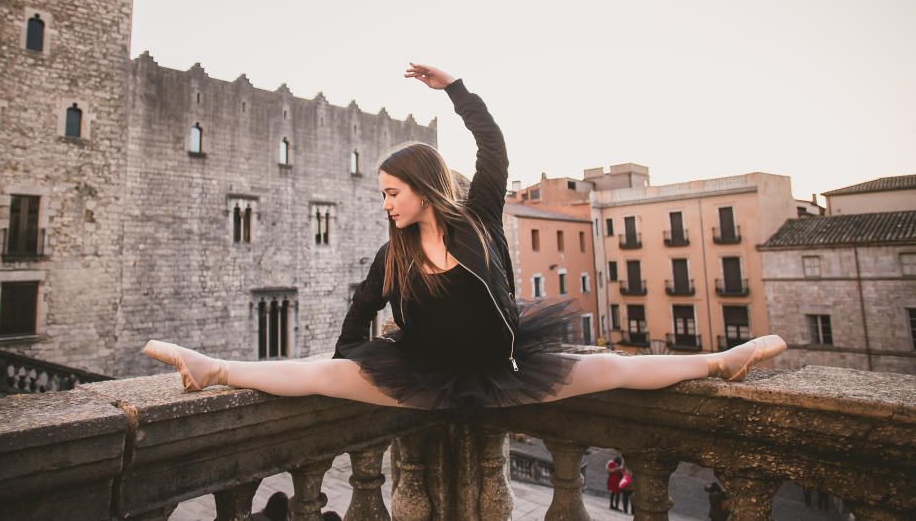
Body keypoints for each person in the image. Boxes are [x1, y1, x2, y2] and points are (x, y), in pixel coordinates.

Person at [141, 63, 788, 413]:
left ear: (424, 186)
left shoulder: (476, 216)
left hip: (503, 369)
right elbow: (360, 309)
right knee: (315, 375)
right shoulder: (390, 255)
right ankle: (213, 368)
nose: (386, 203)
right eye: (382, 195)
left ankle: (718, 361)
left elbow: (493, 145)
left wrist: (455, 89)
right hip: (423, 373)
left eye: (393, 192)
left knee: (613, 366)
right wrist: (352, 361)